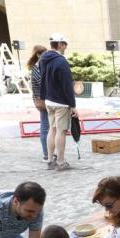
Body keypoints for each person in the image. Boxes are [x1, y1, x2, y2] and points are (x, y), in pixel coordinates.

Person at [40, 33, 78, 171]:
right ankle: (61, 161)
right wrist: (73, 105)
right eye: (65, 45)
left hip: (49, 99)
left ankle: (50, 160)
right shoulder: (61, 61)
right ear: (60, 44)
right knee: (61, 132)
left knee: (52, 129)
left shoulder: (43, 59)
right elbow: (67, 85)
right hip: (61, 101)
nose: (66, 47)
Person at [27, 45, 49, 161]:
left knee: (47, 127)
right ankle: (46, 153)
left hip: (41, 99)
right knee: (45, 127)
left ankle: (48, 152)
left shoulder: (39, 66)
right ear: (38, 54)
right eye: (44, 53)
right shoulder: (37, 68)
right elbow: (43, 84)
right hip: (42, 100)